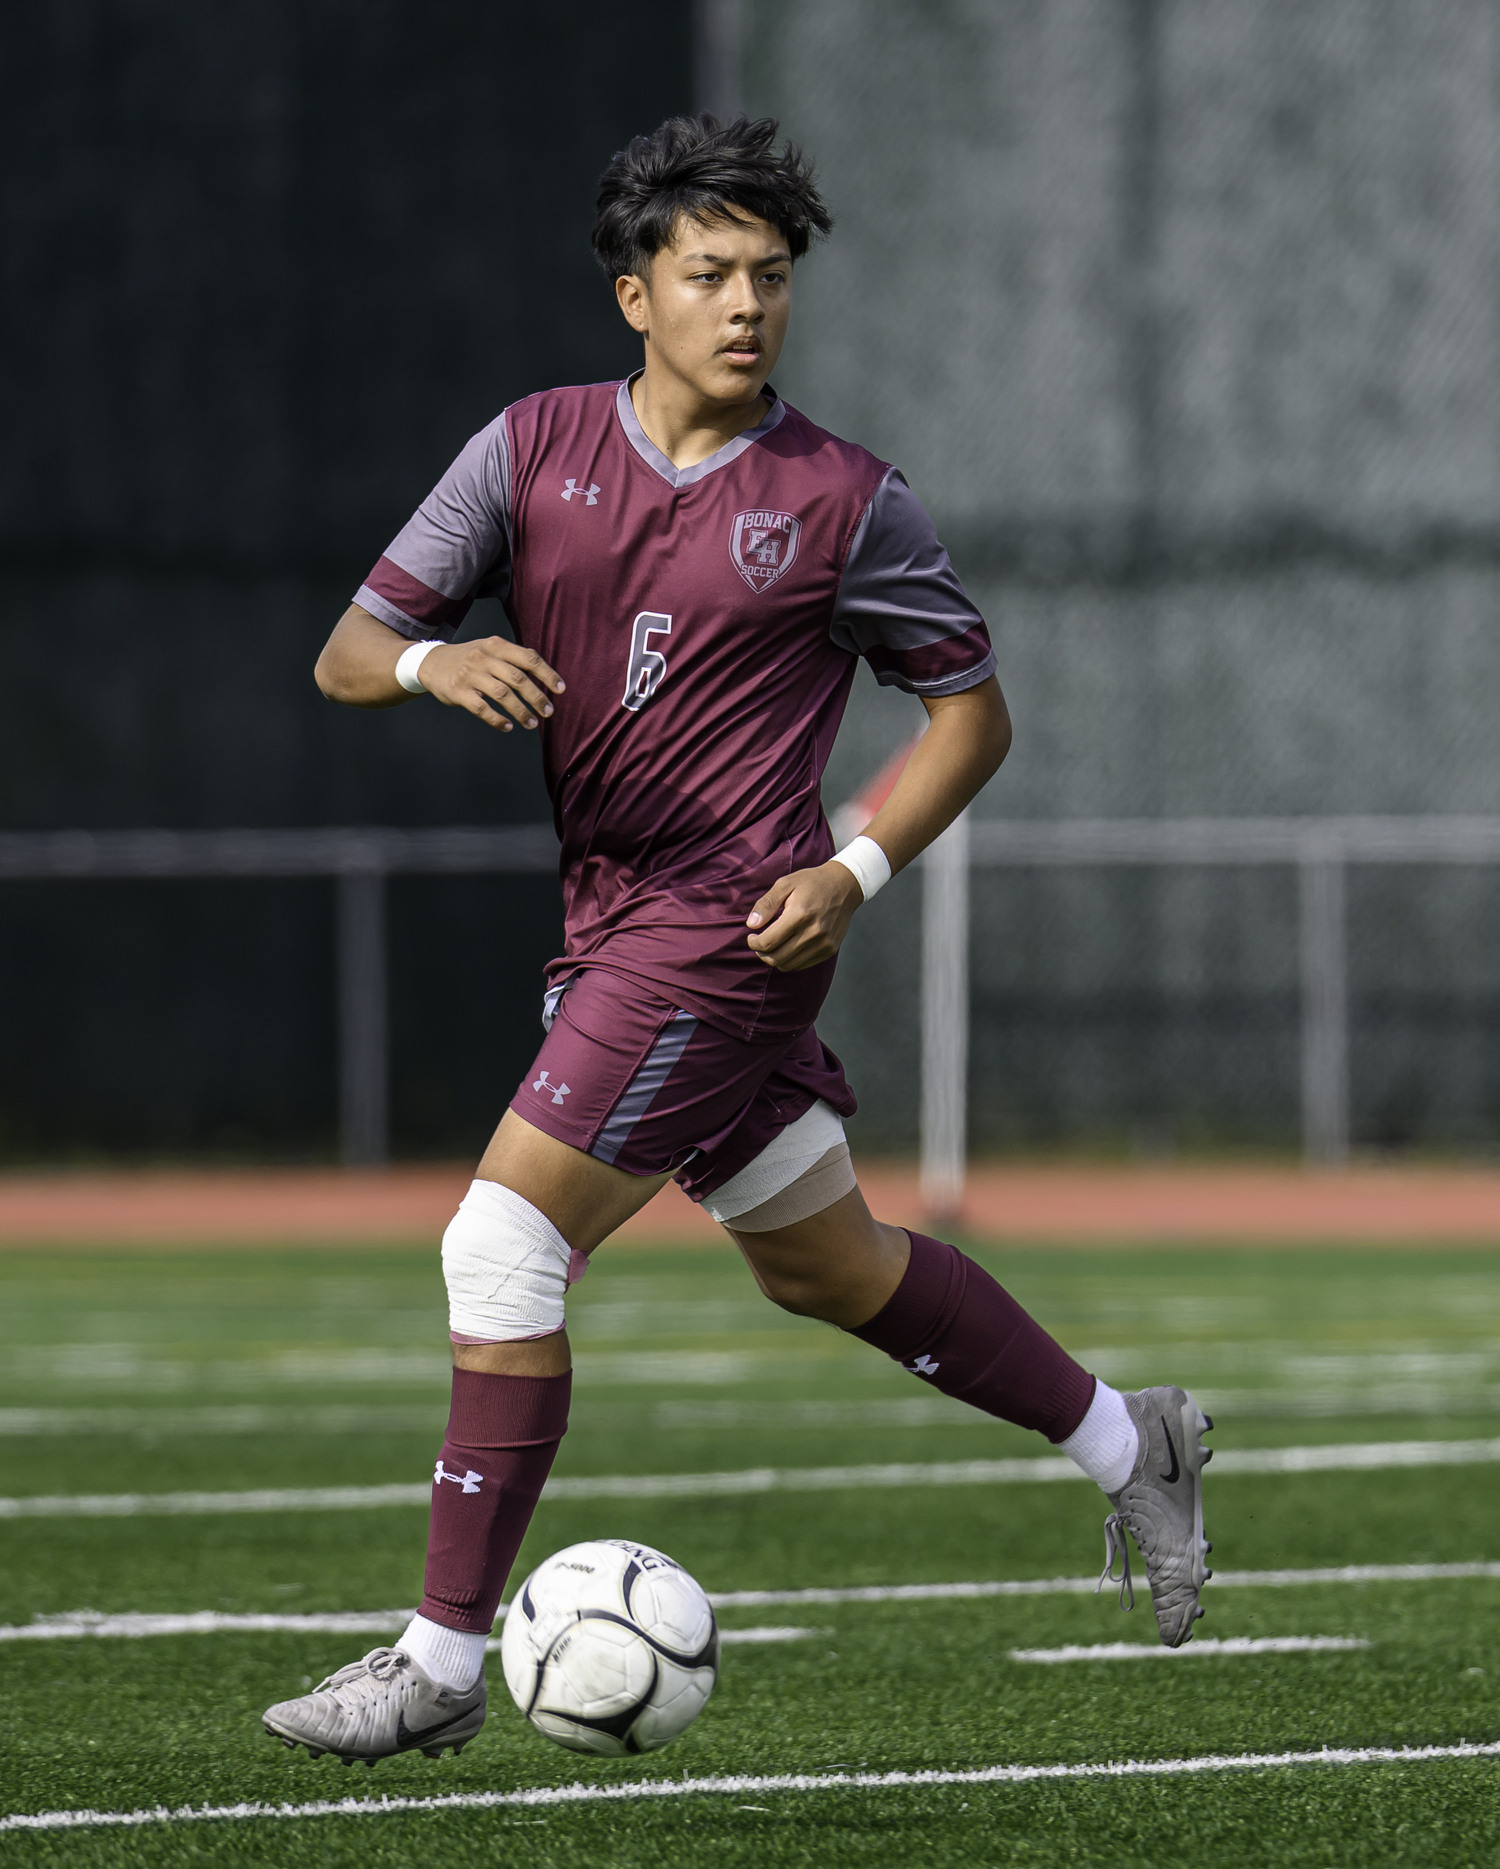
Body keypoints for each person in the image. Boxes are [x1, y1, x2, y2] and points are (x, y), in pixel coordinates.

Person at [262, 114, 1211, 1768]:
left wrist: (855, 869)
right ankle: (1134, 1439)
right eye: (710, 275)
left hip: (733, 928)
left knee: (497, 1251)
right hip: (611, 918)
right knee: (825, 1267)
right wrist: (432, 667)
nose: (748, 304)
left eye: (771, 276)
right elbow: (349, 648)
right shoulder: (530, 446)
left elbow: (973, 722)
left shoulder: (844, 499)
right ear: (636, 295)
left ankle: (436, 1663)